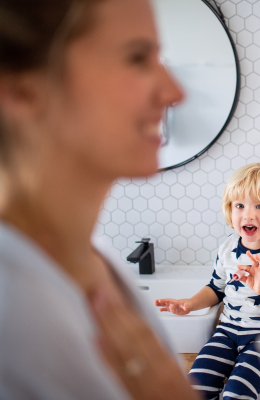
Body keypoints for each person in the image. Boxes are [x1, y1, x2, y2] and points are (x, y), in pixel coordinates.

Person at [0, 0, 203, 399]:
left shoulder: (100, 262)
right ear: (23, 89)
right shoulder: (14, 310)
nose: (175, 92)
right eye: (137, 58)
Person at [155, 163, 260, 400]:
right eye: (240, 205)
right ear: (230, 209)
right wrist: (189, 304)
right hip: (227, 333)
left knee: (236, 393)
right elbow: (216, 288)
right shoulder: (227, 248)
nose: (248, 214)